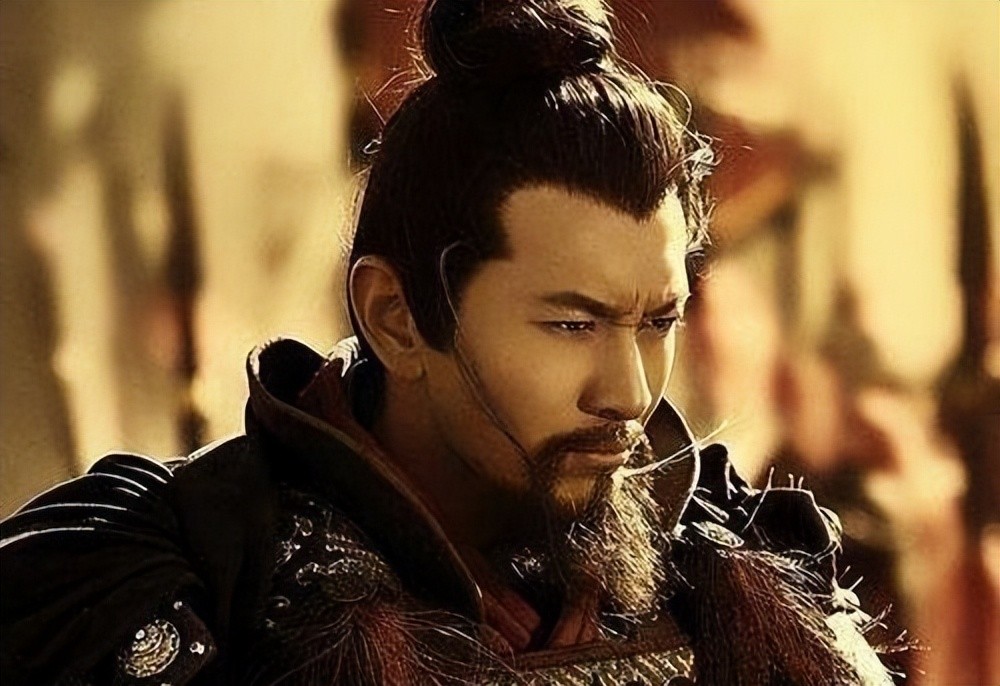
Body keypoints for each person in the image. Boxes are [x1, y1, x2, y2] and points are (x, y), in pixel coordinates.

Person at [1, 1, 899, 684]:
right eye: (572, 323)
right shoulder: (163, 572)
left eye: (657, 321)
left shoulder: (733, 551)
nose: (629, 392)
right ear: (396, 315)